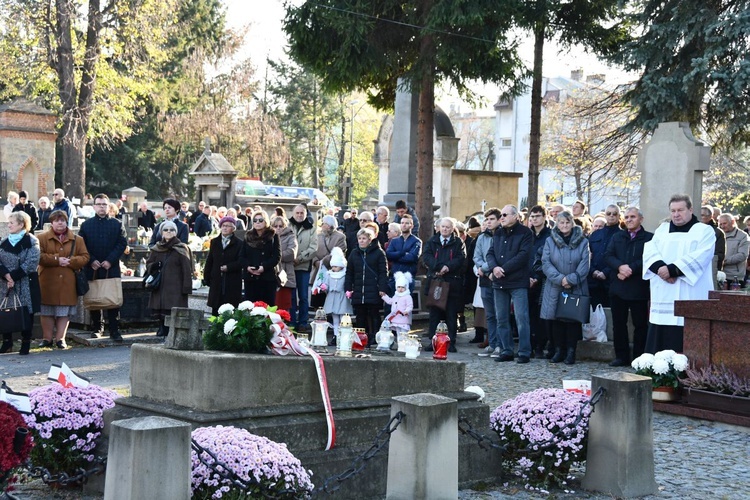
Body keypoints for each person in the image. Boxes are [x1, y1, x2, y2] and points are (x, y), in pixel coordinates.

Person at [644, 195, 715, 353]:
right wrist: (661, 269)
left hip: (691, 292)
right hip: (664, 292)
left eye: (680, 210)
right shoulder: (662, 230)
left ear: (690, 210)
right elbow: (650, 251)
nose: (676, 214)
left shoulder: (704, 230)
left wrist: (672, 270)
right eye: (673, 211)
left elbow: (702, 255)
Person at [605, 207, 653, 366]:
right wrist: (620, 267)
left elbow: (649, 259)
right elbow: (608, 255)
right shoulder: (617, 236)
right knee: (619, 324)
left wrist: (630, 268)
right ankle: (621, 356)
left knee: (640, 324)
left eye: (632, 216)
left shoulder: (649, 238)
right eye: (626, 217)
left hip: (638, 287)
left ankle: (639, 357)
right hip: (618, 287)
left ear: (641, 219)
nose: (629, 219)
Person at [540, 210, 590, 365]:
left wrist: (571, 279)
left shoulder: (583, 241)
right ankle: (558, 350)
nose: (564, 225)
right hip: (555, 285)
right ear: (557, 223)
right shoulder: (550, 241)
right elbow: (546, 263)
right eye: (561, 222)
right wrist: (561, 279)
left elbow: (585, 263)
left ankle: (571, 351)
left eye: (567, 222)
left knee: (572, 321)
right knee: (556, 320)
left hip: (576, 285)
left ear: (572, 223)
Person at [486, 205, 533, 364]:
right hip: (500, 282)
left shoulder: (525, 233)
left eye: (505, 215)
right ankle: (507, 350)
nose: (502, 218)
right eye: (501, 215)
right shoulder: (498, 232)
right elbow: (490, 253)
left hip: (517, 281)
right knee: (502, 318)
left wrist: (503, 269)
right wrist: (494, 268)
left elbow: (523, 255)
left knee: (521, 318)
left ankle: (524, 351)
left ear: (515, 216)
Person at [78, 194, 128, 341]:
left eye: (104, 204)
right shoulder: (86, 225)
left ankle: (114, 330)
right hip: (92, 267)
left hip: (110, 267)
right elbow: (82, 245)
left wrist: (110, 260)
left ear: (109, 206)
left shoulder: (117, 224)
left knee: (113, 299)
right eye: (98, 204)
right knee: (94, 298)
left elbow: (122, 243)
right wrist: (92, 260)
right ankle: (97, 328)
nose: (101, 207)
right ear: (94, 206)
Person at [38, 210, 90, 349]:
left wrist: (71, 261)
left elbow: (85, 257)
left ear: (67, 222)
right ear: (52, 223)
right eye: (56, 220)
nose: (60, 223)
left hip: (68, 281)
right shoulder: (42, 238)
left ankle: (60, 339)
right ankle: (47, 338)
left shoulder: (77, 239)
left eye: (62, 220)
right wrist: (56, 259)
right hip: (47, 281)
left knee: (64, 311)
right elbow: (39, 256)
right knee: (46, 310)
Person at [422, 217, 466, 353]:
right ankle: (433, 341)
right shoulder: (432, 241)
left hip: (451, 282)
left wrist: (448, 267)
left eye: (448, 227)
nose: (445, 229)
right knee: (435, 313)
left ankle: (451, 341)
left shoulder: (458, 242)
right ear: (439, 228)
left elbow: (460, 258)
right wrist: (438, 267)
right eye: (443, 227)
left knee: (451, 314)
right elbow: (426, 256)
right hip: (435, 280)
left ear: (452, 229)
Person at [0, 212, 41, 355]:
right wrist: (6, 275)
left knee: (26, 311)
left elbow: (32, 262)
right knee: (5, 310)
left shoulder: (32, 241)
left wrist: (13, 276)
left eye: (12, 222)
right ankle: (7, 342)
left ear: (21, 224)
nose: (9, 225)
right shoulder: (3, 242)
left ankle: (26, 342)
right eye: (8, 222)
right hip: (5, 283)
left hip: (25, 282)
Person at [146, 221, 193, 338]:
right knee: (160, 307)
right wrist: (154, 266)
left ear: (175, 232)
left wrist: (186, 287)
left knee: (172, 309)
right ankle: (161, 327)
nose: (168, 232)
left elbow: (187, 269)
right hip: (160, 285)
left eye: (172, 230)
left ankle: (171, 330)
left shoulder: (181, 248)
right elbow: (148, 264)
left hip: (175, 286)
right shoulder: (156, 248)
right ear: (161, 232)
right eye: (166, 230)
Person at [345, 228, 389, 346]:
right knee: (360, 315)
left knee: (374, 314)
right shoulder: (354, 253)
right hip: (359, 289)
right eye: (359, 238)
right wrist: (348, 288)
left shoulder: (379, 253)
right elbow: (349, 272)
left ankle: (374, 336)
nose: (361, 241)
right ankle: (360, 337)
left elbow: (383, 272)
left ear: (370, 239)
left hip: (373, 288)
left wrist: (382, 288)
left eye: (364, 238)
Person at [203, 216, 243, 316]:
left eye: (228, 226)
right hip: (216, 280)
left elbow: (241, 261)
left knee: (230, 310)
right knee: (216, 310)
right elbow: (210, 260)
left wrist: (228, 267)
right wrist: (206, 277)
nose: (225, 228)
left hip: (232, 281)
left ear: (233, 228)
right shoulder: (214, 242)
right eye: (223, 225)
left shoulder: (239, 243)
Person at [240, 210, 281, 306]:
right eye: (255, 220)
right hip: (251, 278)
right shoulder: (248, 236)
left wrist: (264, 267)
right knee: (251, 308)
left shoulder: (273, 236)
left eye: (260, 220)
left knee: (267, 308)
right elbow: (241, 256)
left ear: (265, 221)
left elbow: (276, 256)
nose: (257, 222)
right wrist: (248, 267)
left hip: (267, 278)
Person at [474, 209, 501, 355]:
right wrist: (483, 269)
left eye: (491, 219)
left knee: (500, 314)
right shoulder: (482, 237)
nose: (488, 222)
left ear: (498, 220)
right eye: (487, 219)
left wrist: (485, 269)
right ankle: (492, 343)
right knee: (489, 314)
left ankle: (500, 345)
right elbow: (477, 256)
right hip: (485, 280)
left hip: (498, 279)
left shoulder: (502, 235)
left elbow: (499, 257)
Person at [527, 205, 552, 358]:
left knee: (541, 315)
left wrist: (537, 277)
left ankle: (540, 346)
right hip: (527, 279)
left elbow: (548, 259)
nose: (534, 219)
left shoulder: (550, 235)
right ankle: (529, 345)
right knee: (528, 314)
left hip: (543, 280)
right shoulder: (528, 235)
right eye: (532, 216)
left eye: (537, 216)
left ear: (544, 217)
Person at [315, 247, 352, 345]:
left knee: (342, 318)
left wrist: (349, 291)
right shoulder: (329, 274)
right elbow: (326, 285)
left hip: (342, 297)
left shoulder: (345, 274)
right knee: (335, 318)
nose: (334, 268)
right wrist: (324, 287)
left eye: (336, 266)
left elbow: (348, 284)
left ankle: (342, 336)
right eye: (333, 266)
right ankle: (335, 335)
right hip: (332, 297)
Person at [289, 204, 317, 331]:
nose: (299, 215)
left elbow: (313, 248)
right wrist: (290, 258)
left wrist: (299, 258)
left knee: (303, 296)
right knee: (291, 296)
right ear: (294, 214)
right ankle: (291, 321)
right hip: (289, 267)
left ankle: (303, 322)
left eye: (302, 213)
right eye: (297, 213)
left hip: (304, 267)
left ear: (306, 214)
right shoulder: (288, 226)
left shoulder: (311, 228)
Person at [310, 214, 347, 310]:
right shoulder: (318, 236)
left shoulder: (340, 237)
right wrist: (316, 262)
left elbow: (338, 251)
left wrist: (323, 262)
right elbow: (313, 250)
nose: (322, 225)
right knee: (318, 292)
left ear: (329, 225)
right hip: (318, 270)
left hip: (332, 270)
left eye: (323, 224)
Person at [272, 215, 298, 311]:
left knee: (283, 307)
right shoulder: (268, 237)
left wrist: (275, 257)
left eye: (281, 226)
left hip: (284, 275)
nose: (278, 228)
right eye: (275, 226)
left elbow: (291, 253)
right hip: (270, 275)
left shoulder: (291, 236)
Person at [382, 271, 414, 342]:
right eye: (398, 287)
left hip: (403, 318)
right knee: (398, 333)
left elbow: (410, 305)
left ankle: (404, 346)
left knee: (404, 334)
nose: (400, 289)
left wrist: (407, 311)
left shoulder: (407, 296)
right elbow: (390, 301)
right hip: (396, 318)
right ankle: (400, 346)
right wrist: (384, 296)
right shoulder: (396, 295)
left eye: (402, 287)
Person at [700, 205, 726, 290]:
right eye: (699, 215)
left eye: (703, 215)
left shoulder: (718, 233)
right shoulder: (694, 230)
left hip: (710, 270)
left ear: (710, 216)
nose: (700, 218)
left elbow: (719, 254)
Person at [718, 213, 749, 283]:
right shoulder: (717, 235)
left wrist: (724, 261)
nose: (722, 226)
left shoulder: (743, 236)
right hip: (719, 274)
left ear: (732, 222)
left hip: (734, 276)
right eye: (720, 224)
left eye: (724, 223)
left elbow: (742, 255)